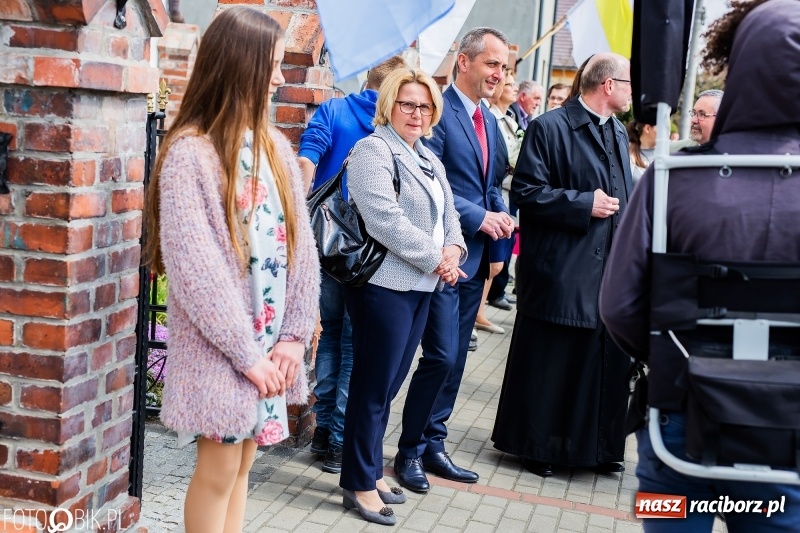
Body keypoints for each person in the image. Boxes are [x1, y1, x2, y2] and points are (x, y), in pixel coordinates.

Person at [600, 1, 800, 531]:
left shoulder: (673, 179)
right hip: (789, 436)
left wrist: (673, 354)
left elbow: (619, 306)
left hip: (677, 424)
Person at [143, 7, 319, 533]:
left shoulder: (274, 149)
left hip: (269, 347)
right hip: (223, 351)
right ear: (240, 65)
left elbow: (302, 249)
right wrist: (248, 357)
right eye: (272, 64)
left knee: (245, 462)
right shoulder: (189, 155)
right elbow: (197, 273)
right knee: (219, 468)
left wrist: (291, 337)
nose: (280, 77)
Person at [493, 52, 634, 478]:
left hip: (607, 271)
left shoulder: (617, 132)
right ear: (608, 85)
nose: (633, 92)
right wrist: (582, 204)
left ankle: (596, 449)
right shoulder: (549, 127)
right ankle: (538, 447)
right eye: (628, 83)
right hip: (562, 269)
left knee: (600, 362)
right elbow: (527, 193)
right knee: (553, 363)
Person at [340, 68, 467, 525]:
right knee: (373, 387)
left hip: (421, 284)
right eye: (408, 104)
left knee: (388, 385)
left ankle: (371, 471)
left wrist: (452, 251)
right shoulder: (373, 149)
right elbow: (383, 219)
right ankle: (357, 484)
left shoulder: (427, 156)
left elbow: (450, 213)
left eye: (425, 106)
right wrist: (438, 259)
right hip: (384, 284)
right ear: (389, 104)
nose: (417, 113)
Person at [394, 27, 514, 494]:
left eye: (503, 67)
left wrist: (499, 216)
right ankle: (407, 451)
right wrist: (480, 215)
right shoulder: (437, 114)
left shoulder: (489, 119)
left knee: (456, 358)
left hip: (477, 256)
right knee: (440, 356)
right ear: (463, 62)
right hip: (439, 256)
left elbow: (489, 184)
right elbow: (436, 183)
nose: (498, 74)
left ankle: (433, 443)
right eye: (491, 63)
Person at [297, 55, 406, 474]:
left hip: (326, 242)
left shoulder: (334, 110)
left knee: (330, 336)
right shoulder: (392, 127)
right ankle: (339, 439)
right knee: (352, 346)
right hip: (370, 251)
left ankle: (323, 432)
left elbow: (306, 162)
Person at [476, 69, 522, 334]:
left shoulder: (507, 120)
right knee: (490, 263)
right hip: (490, 198)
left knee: (497, 264)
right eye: (510, 83)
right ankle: (474, 313)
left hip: (503, 198)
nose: (510, 87)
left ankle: (478, 312)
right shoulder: (489, 117)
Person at [627, 120, 656, 186]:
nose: (668, 132)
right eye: (663, 127)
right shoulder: (625, 151)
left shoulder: (669, 152)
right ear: (647, 128)